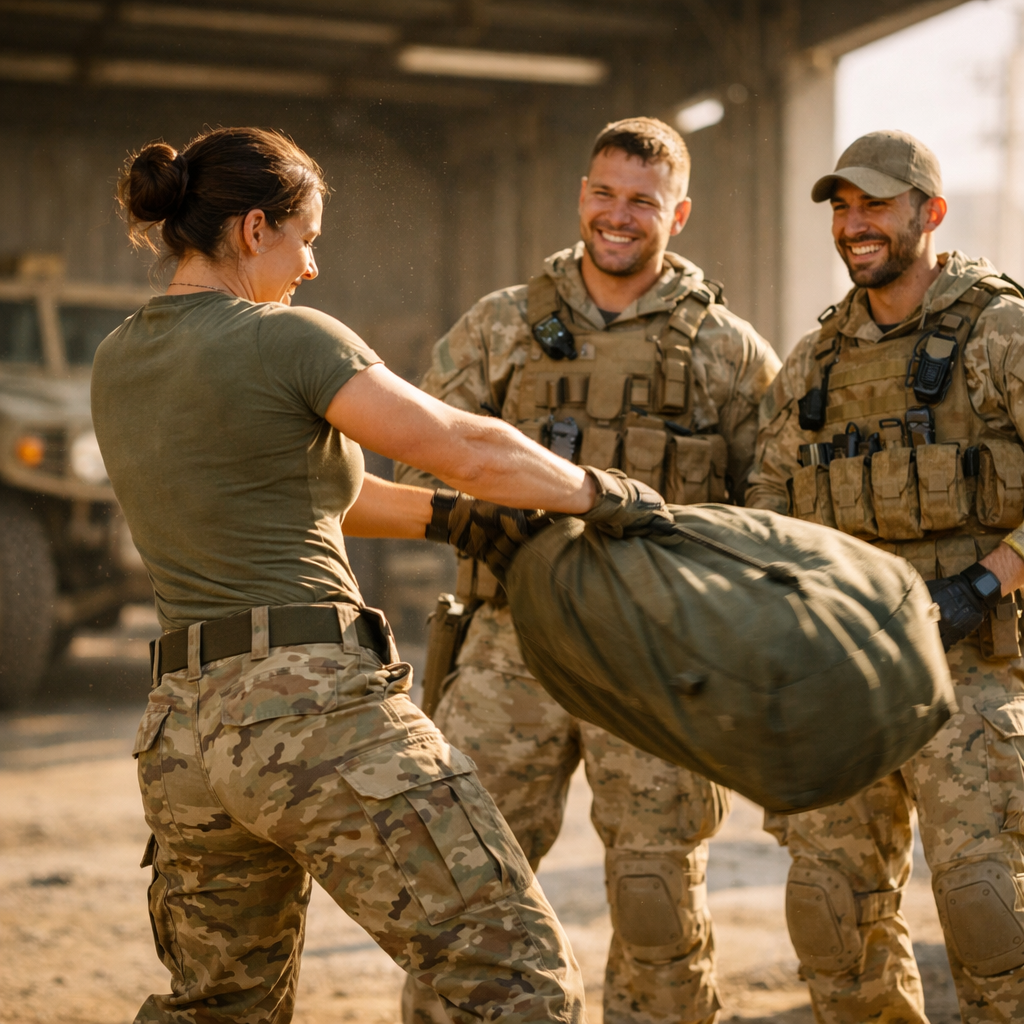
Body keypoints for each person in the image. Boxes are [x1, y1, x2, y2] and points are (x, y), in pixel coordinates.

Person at [93, 125, 668, 1024]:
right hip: (316, 712)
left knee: (220, 1008)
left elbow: (295, 497)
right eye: (306, 239)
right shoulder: (286, 338)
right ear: (253, 230)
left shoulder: (119, 358)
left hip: (184, 734)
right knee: (519, 980)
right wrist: (600, 493)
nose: (311, 266)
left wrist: (456, 521)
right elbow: (459, 444)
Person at [396, 116, 781, 1024]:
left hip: (658, 654)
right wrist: (474, 513)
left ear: (677, 212)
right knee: (468, 887)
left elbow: (776, 501)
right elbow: (411, 447)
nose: (618, 216)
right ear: (581, 197)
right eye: (603, 194)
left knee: (656, 895)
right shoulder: (503, 325)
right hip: (509, 643)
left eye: (641, 201)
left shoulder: (727, 349)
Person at [746, 129, 1024, 1024]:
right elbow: (769, 513)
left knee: (990, 916)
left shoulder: (998, 330)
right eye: (842, 207)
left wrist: (983, 585)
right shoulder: (815, 363)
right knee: (831, 921)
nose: (855, 224)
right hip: (848, 679)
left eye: (875, 204)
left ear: (929, 213)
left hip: (978, 667)